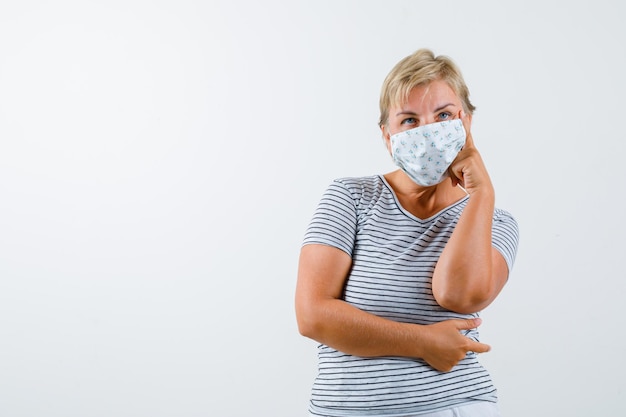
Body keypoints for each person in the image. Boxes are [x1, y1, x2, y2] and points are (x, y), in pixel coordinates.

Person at [295, 48, 519, 417]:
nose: (428, 130)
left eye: (444, 115)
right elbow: (312, 315)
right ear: (387, 135)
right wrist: (422, 342)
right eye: (410, 120)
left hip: (453, 406)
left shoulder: (496, 221)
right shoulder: (350, 197)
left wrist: (482, 194)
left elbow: (459, 295)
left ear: (467, 122)